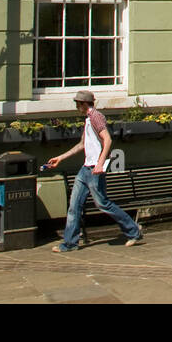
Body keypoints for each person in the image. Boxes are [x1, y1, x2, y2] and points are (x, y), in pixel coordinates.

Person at [43, 89, 143, 252]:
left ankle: (133, 230)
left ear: (83, 104)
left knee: (103, 203)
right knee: (74, 206)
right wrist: (60, 158)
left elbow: (108, 140)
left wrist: (99, 163)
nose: (76, 106)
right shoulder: (88, 119)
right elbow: (82, 144)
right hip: (85, 169)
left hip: (94, 169)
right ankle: (69, 243)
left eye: (77, 103)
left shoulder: (96, 116)